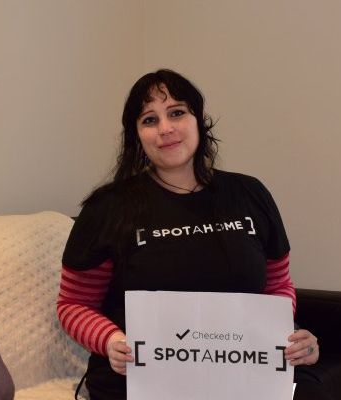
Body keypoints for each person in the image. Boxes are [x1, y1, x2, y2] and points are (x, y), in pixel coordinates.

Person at [56, 69, 324, 399]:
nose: (165, 128)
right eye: (149, 120)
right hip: (143, 376)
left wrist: (286, 334)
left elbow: (277, 285)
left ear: (199, 119)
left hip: (241, 367)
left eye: (177, 113)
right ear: (137, 135)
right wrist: (111, 341)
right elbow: (73, 304)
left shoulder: (249, 194)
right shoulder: (107, 208)